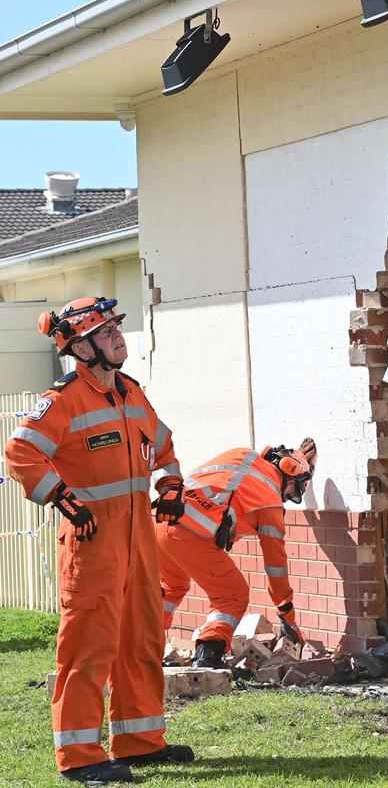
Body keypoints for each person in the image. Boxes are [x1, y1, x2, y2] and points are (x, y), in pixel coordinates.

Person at [4, 297, 194, 785]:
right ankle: (80, 755)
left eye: (116, 328)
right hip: (91, 542)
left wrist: (171, 485)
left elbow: (164, 444)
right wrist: (65, 500)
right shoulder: (64, 399)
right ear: (81, 348)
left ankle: (141, 741)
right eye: (105, 331)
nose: (117, 336)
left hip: (138, 541)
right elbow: (21, 453)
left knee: (142, 639)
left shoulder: (131, 392)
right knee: (89, 647)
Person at [156, 438, 317, 667]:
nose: (288, 496)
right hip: (190, 534)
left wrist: (299, 456)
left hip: (160, 521)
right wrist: (287, 614)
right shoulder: (269, 502)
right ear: (287, 473)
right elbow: (276, 566)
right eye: (294, 488)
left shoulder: (241, 455)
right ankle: (208, 655)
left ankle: (140, 646)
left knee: (171, 588)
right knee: (232, 595)